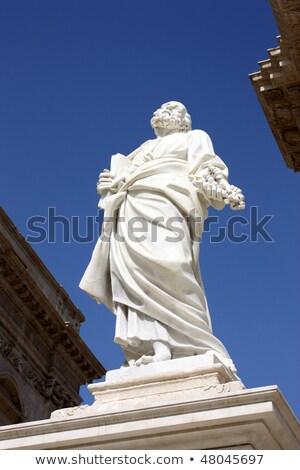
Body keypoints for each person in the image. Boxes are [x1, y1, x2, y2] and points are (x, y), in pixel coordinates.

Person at [80, 101, 245, 371]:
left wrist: (220, 189)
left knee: (174, 265)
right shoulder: (143, 148)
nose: (165, 110)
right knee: (134, 275)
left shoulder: (195, 137)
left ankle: (194, 339)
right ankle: (158, 345)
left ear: (184, 120)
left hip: (170, 202)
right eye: (163, 108)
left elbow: (208, 169)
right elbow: (119, 179)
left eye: (174, 109)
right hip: (131, 206)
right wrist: (108, 186)